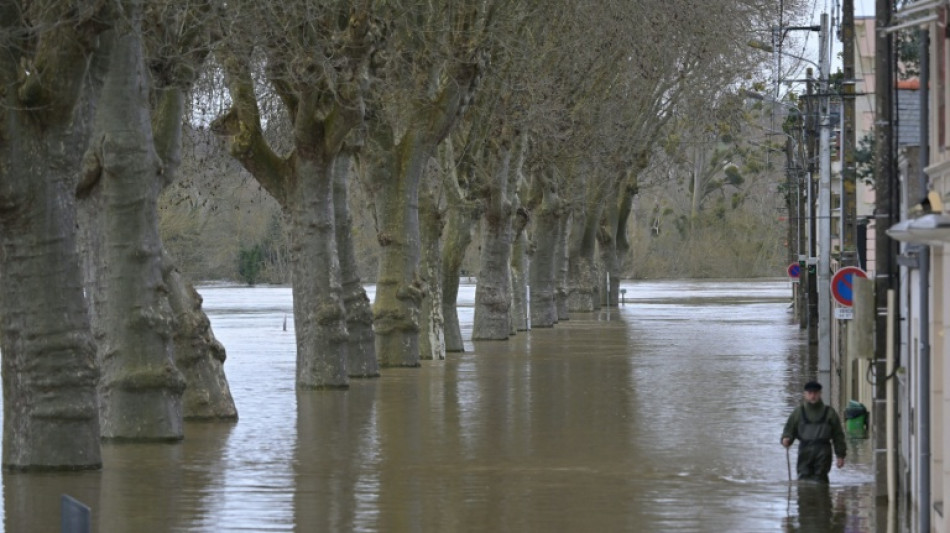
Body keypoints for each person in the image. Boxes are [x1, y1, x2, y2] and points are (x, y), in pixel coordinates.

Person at [781, 381, 847, 482]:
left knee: (821, 481)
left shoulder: (830, 413)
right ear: (805, 394)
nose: (813, 396)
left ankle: (822, 497)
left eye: (815, 393)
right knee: (803, 481)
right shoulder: (798, 412)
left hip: (823, 453)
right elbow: (789, 430)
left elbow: (838, 436)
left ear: (820, 394)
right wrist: (786, 439)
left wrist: (840, 455)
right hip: (805, 452)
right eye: (810, 393)